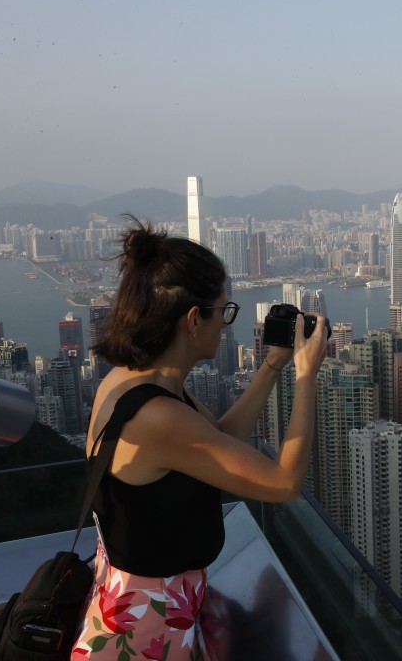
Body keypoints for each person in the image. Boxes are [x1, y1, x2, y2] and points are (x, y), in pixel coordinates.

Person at [70, 216, 328, 660]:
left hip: (138, 611)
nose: (225, 324)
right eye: (224, 311)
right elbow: (284, 483)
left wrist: (273, 366)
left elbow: (219, 437)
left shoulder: (132, 381)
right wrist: (307, 377)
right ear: (193, 319)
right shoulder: (158, 417)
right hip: (146, 633)